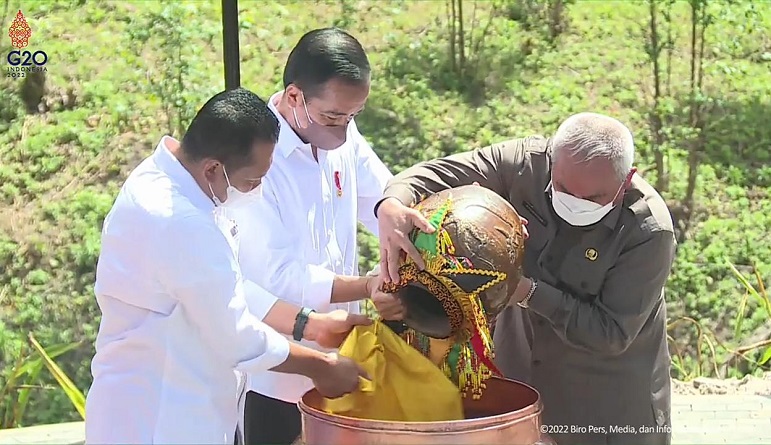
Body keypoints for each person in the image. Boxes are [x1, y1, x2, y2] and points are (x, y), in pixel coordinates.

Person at [85, 88, 373, 445]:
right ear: (213, 168)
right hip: (160, 418)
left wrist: (308, 325)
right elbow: (236, 335)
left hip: (186, 407)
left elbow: (224, 285)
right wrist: (321, 367)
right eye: (251, 180)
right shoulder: (178, 221)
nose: (255, 190)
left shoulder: (171, 179)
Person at [373, 112, 676, 445]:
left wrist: (525, 291)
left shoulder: (648, 231)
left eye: (592, 199)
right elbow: (432, 174)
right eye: (562, 190)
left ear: (627, 179)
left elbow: (611, 333)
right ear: (552, 160)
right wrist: (391, 205)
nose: (574, 204)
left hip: (605, 406)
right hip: (520, 384)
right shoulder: (524, 165)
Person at [231, 28, 393, 445]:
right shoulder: (253, 161)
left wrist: (405, 223)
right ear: (294, 97)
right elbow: (277, 277)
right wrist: (367, 285)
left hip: (340, 361)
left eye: (352, 117)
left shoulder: (342, 133)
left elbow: (381, 199)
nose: (342, 132)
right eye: (333, 118)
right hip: (275, 377)